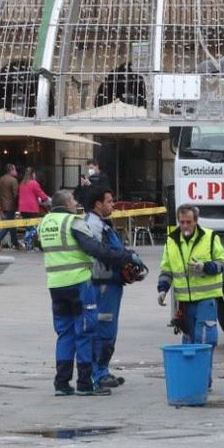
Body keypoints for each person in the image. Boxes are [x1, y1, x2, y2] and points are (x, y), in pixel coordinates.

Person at [35, 189, 138, 396]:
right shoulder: (73, 222)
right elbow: (95, 249)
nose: (76, 203)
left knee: (64, 334)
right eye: (73, 199)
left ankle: (62, 384)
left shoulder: (45, 223)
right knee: (85, 332)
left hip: (56, 285)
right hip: (79, 284)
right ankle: (85, 383)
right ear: (65, 203)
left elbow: (38, 244)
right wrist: (125, 256)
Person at [157, 204, 224, 390]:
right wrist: (162, 289)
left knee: (205, 339)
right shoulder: (171, 241)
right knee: (188, 341)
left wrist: (205, 266)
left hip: (207, 297)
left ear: (196, 221)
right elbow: (166, 269)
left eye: (189, 222)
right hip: (185, 301)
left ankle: (204, 382)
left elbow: (223, 262)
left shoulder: (210, 237)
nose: (185, 226)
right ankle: (192, 379)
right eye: (182, 222)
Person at [83, 187, 139, 390]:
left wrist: (127, 257)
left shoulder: (102, 224)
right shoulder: (93, 226)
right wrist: (127, 258)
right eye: (109, 201)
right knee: (102, 328)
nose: (112, 204)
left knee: (109, 328)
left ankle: (102, 370)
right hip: (102, 283)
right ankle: (97, 374)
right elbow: (104, 254)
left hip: (111, 282)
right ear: (98, 204)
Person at [19, 169, 52, 249]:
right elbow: (41, 194)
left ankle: (29, 246)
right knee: (35, 227)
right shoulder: (34, 183)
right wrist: (48, 200)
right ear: (33, 174)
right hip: (32, 208)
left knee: (29, 227)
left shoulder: (22, 183)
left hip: (22, 209)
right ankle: (24, 240)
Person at [0, 164, 21, 251]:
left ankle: (15, 243)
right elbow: (16, 194)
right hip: (10, 206)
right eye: (15, 169)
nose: (16, 171)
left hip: (3, 205)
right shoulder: (13, 180)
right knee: (9, 225)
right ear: (11, 170)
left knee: (12, 225)